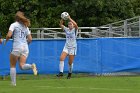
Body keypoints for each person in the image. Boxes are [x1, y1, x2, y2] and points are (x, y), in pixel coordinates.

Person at [5, 11, 37, 86]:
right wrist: (26, 45)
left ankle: (13, 83)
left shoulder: (13, 25)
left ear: (16, 18)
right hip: (25, 48)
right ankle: (31, 66)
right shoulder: (26, 26)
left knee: (12, 65)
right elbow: (30, 39)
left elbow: (9, 35)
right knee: (22, 66)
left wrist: (6, 41)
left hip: (17, 47)